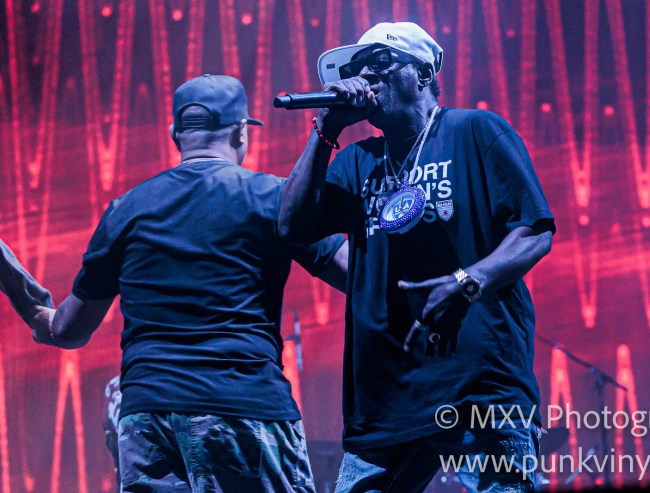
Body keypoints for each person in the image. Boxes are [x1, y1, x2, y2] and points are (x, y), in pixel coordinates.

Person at [25, 74, 348, 493]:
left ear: (175, 133)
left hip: (148, 417)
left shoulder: (126, 210)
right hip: (243, 404)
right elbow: (358, 276)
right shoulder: (274, 198)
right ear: (241, 132)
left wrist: (34, 306)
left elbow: (69, 329)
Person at [278, 22, 555, 492]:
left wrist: (468, 281)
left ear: (424, 73)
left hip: (479, 388)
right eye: (358, 68)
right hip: (386, 399)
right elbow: (292, 227)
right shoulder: (357, 161)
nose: (366, 76)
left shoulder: (475, 131)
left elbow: (535, 231)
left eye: (380, 63)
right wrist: (326, 130)